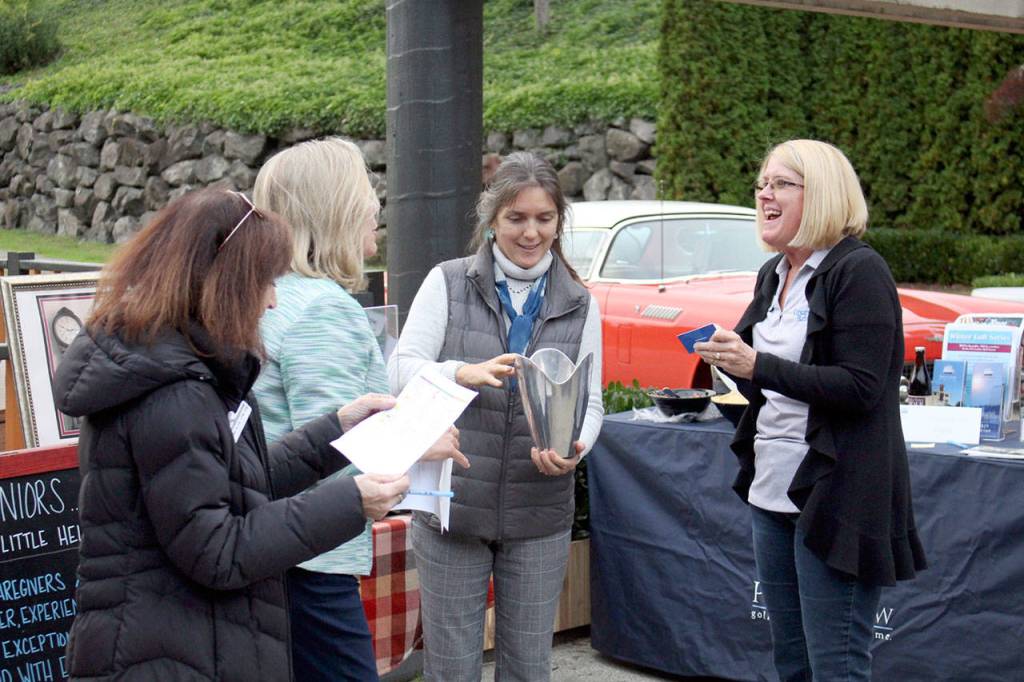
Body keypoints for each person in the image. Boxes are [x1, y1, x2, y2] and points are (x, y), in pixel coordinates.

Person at [52, 189, 420, 682]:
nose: (272, 301)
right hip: (169, 654)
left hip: (179, 643)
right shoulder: (176, 393)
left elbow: (232, 481)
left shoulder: (177, 364)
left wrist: (337, 431)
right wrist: (351, 502)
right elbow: (217, 550)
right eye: (267, 282)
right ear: (226, 284)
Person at [694, 139, 927, 681]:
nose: (763, 195)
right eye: (761, 184)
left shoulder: (858, 271)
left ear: (820, 194)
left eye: (780, 184)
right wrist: (726, 377)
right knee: (793, 664)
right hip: (772, 488)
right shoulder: (772, 274)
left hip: (837, 494)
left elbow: (863, 387)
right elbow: (765, 392)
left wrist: (758, 366)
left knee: (836, 668)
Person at [252, 137, 467, 681]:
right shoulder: (325, 310)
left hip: (268, 546)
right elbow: (326, 450)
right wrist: (415, 440)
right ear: (336, 210)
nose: (377, 207)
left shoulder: (270, 295)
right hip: (311, 559)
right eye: (366, 194)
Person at [387, 151, 604, 681]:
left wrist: (577, 448)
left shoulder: (580, 301)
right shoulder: (448, 282)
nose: (531, 233)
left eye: (544, 219)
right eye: (516, 219)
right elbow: (399, 370)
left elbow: (591, 402)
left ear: (558, 222)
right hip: (453, 508)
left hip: (540, 512)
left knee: (529, 669)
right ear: (491, 220)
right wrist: (460, 372)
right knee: (453, 670)